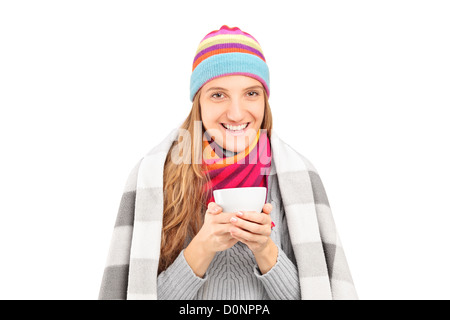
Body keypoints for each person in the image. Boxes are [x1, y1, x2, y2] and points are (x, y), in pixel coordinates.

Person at [99, 25, 358, 300]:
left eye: (251, 93)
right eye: (218, 94)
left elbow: (318, 294)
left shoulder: (298, 179)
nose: (236, 113)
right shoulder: (153, 177)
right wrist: (202, 247)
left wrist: (265, 250)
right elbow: (138, 295)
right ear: (199, 101)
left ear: (264, 100)